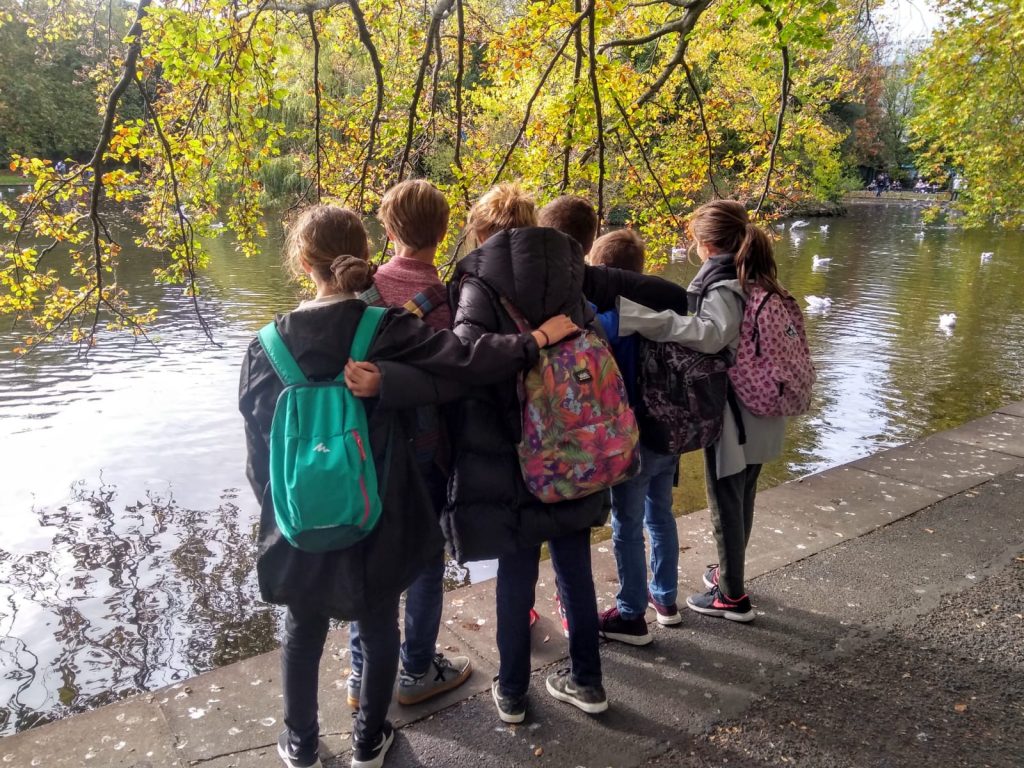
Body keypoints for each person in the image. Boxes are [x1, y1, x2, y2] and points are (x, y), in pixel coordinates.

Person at [238, 204, 577, 768]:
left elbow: (259, 450)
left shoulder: (266, 346)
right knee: (377, 623)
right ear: (367, 253)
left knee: (302, 627)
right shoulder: (384, 328)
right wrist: (534, 339)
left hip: (297, 515)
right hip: (381, 506)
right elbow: (465, 360)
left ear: (302, 262)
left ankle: (300, 744)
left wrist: (280, 512)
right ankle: (370, 740)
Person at [395, 183, 688, 724]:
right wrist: (700, 299)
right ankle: (588, 682)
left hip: (511, 452)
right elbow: (655, 290)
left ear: (482, 229)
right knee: (574, 566)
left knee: (516, 570)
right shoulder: (571, 269)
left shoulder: (478, 278)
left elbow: (467, 359)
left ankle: (510, 693)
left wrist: (531, 345)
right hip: (576, 445)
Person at [617, 200, 789, 624]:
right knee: (743, 494)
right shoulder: (758, 278)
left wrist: (644, 320)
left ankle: (732, 596)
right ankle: (731, 575)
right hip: (764, 402)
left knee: (725, 502)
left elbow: (710, 335)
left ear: (705, 243)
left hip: (736, 412)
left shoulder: (725, 285)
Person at [346, 179, 470, 711]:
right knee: (424, 558)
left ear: (389, 231)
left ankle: (360, 676)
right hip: (427, 449)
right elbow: (461, 373)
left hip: (365, 449)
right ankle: (416, 669)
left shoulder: (359, 289)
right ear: (443, 233)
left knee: (370, 560)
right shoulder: (451, 298)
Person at [587, 230, 683, 645]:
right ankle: (666, 599)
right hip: (670, 432)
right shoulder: (666, 314)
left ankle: (631, 614)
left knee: (626, 524)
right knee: (660, 514)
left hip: (631, 437)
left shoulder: (610, 322)